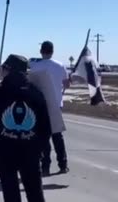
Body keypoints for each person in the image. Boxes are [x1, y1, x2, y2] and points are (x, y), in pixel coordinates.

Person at [0, 54, 51, 202]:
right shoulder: (36, 92)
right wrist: (39, 146)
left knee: (10, 193)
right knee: (35, 192)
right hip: (30, 150)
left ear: (8, 69)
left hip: (3, 149)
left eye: (3, 68)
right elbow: (45, 125)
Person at [30, 41, 71, 176]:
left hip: (41, 105)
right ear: (52, 51)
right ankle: (63, 164)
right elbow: (66, 85)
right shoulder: (60, 66)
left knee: (43, 137)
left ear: (41, 51)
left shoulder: (36, 67)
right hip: (56, 104)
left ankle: (45, 166)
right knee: (57, 136)